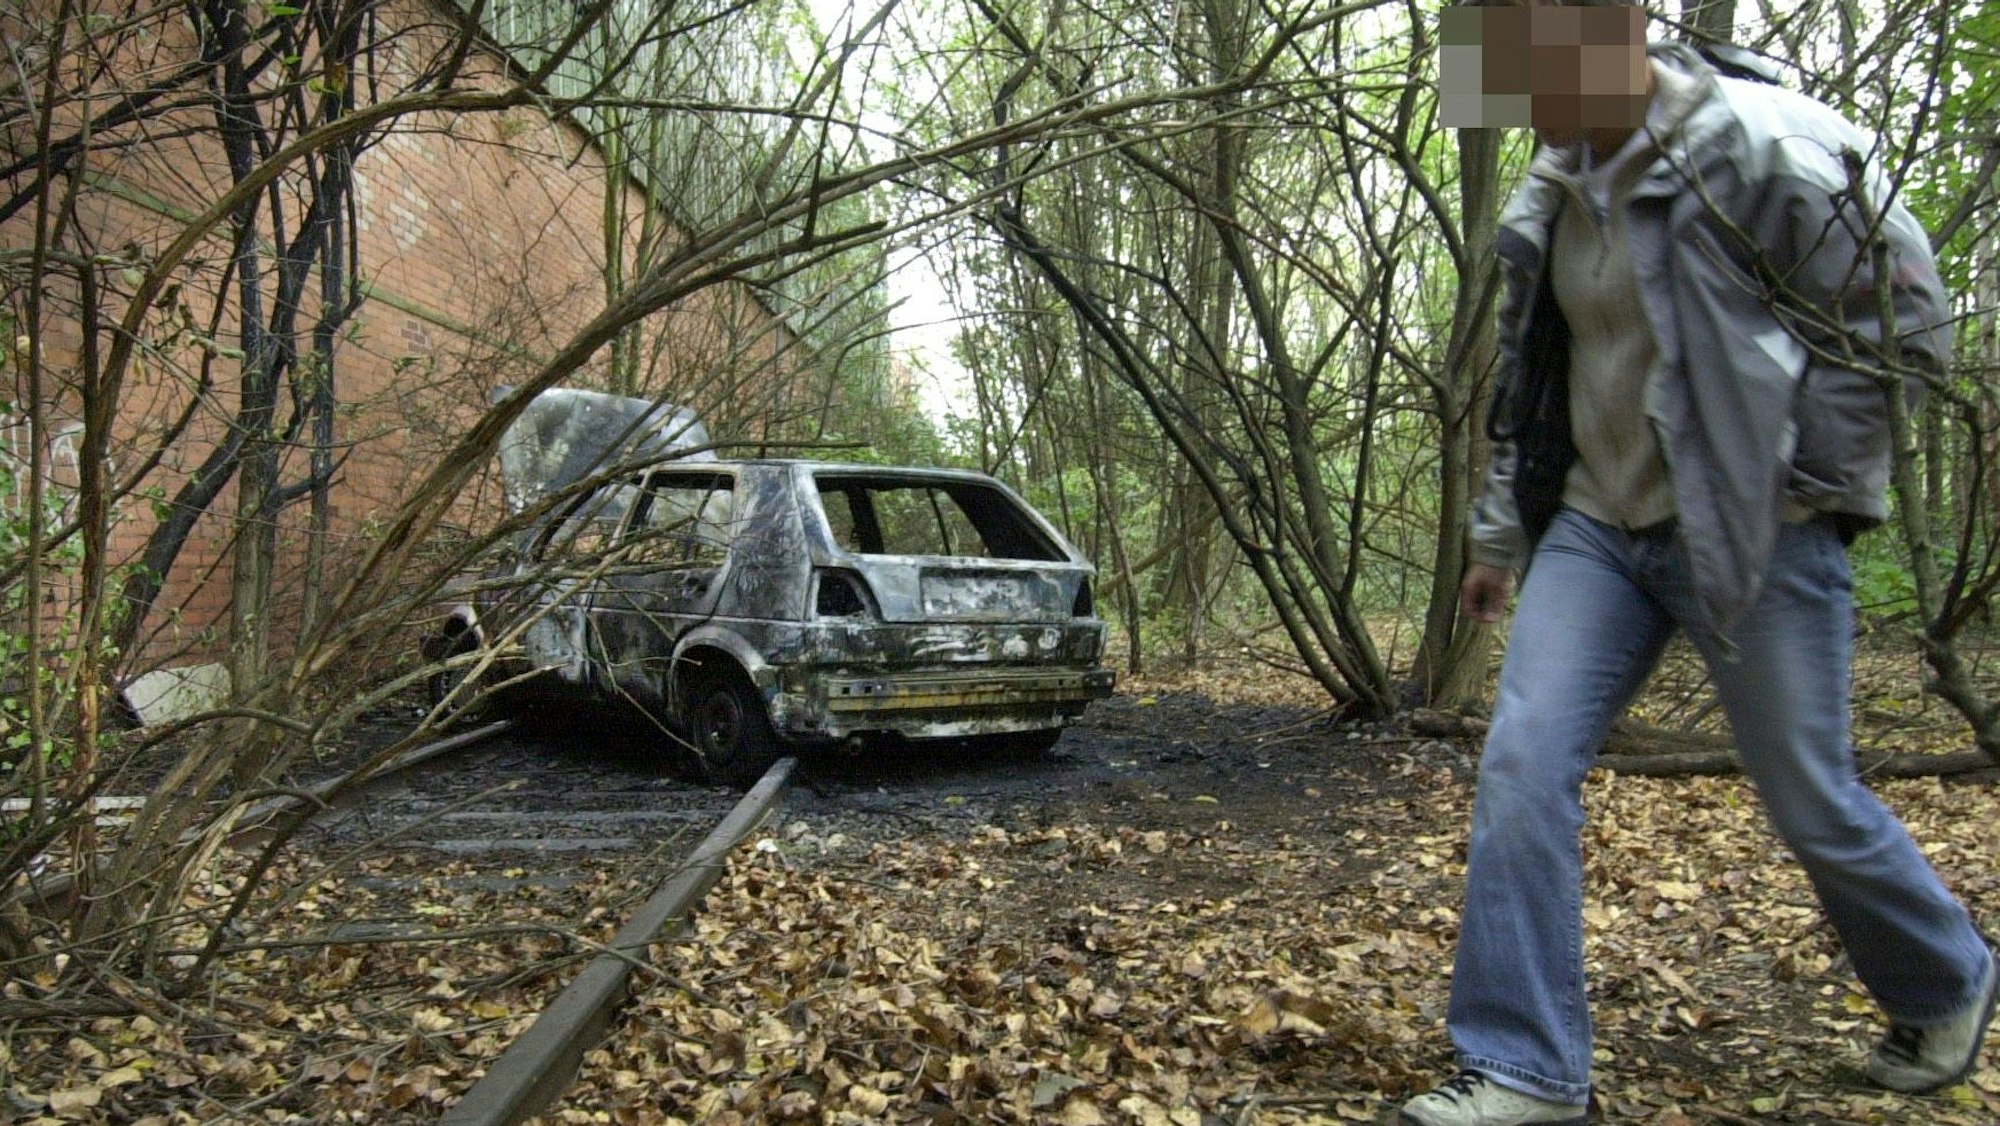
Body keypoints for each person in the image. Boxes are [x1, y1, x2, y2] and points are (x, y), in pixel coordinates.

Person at [1404, 3, 1995, 1125]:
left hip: (1755, 524)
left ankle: (1944, 977)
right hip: (1596, 523)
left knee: (1807, 796)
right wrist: (1497, 537)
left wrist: (1802, 476)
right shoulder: (1550, 192)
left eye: (1535, 74)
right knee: (1520, 766)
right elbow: (1529, 378)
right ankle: (1527, 1068)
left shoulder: (1769, 148)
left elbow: (1907, 320)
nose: (1524, 106)